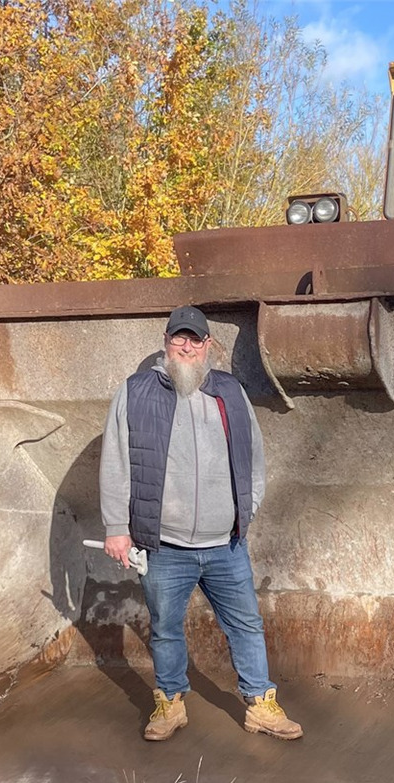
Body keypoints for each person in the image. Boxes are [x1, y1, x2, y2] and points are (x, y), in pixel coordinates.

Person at [99, 305, 302, 742]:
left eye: (195, 339)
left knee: (246, 625)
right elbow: (116, 461)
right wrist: (117, 527)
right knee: (166, 629)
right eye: (180, 338)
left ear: (208, 345)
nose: (187, 347)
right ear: (166, 341)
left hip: (225, 545)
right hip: (164, 546)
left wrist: (245, 509)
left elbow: (253, 456)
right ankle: (170, 703)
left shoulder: (229, 391)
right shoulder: (136, 392)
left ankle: (260, 704)